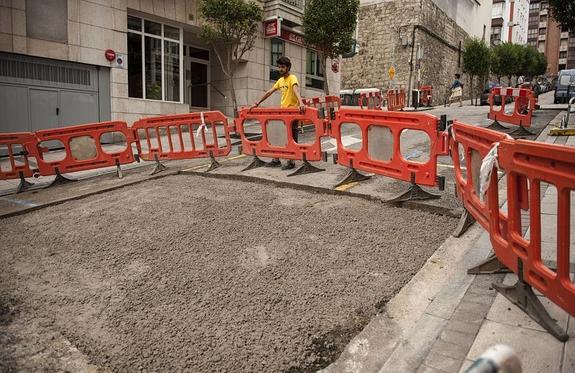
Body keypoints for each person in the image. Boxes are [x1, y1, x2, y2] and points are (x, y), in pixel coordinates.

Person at [250, 56, 306, 170]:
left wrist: (301, 103)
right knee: (279, 136)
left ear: (288, 67)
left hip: (292, 113)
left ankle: (291, 161)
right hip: (283, 113)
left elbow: (296, 90)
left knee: (292, 137)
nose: (280, 69)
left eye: (283, 67)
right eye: (279, 67)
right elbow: (270, 91)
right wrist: (257, 103)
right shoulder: (280, 81)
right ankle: (276, 159)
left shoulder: (292, 78)